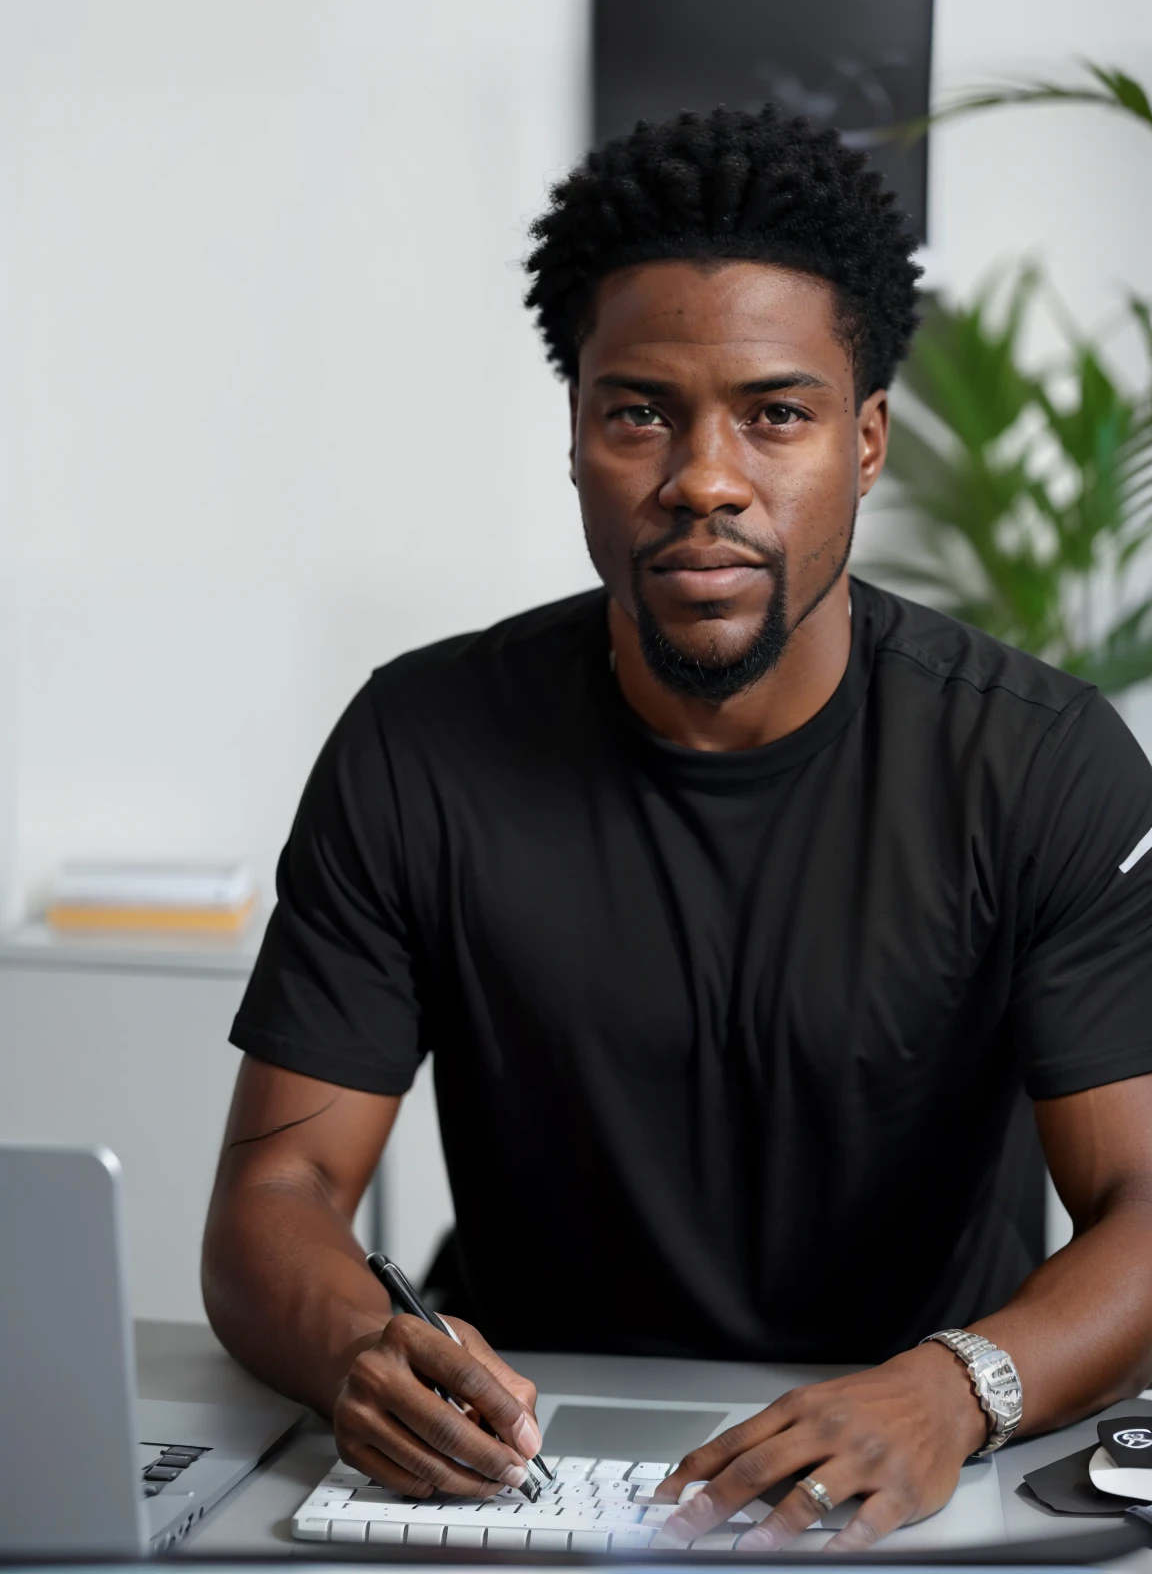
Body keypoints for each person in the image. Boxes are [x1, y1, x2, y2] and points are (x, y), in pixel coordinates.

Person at [203, 104, 1152, 1550]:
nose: (705, 478)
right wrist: (361, 1354)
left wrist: (958, 1388)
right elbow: (276, 1192)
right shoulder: (420, 746)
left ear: (869, 439)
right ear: (577, 434)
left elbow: (1145, 1203)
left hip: (920, 1468)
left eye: (777, 412)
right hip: (525, 1468)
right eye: (639, 410)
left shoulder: (1035, 762)